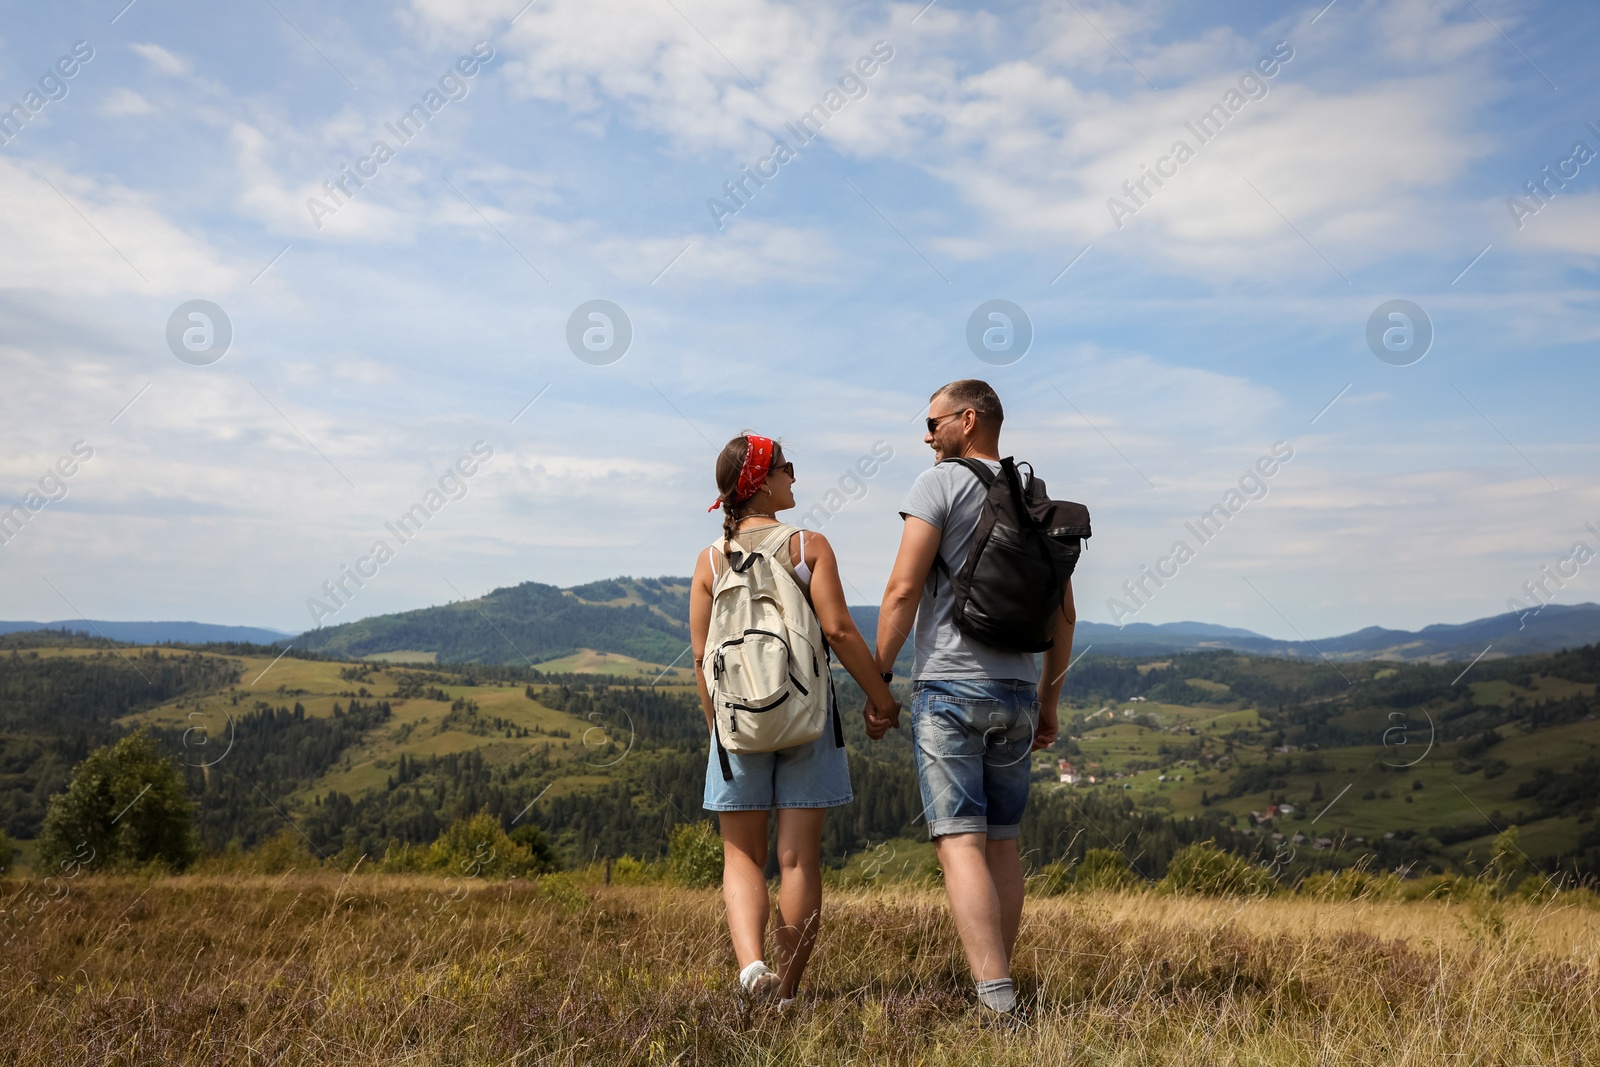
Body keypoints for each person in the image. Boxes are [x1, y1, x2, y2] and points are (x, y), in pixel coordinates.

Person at [866, 380, 1076, 1019]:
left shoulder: (939, 485)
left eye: (932, 423)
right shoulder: (1032, 494)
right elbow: (1064, 614)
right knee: (1002, 843)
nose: (926, 436)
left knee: (960, 842)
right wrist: (1047, 700)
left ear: (968, 419)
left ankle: (994, 998)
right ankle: (998, 984)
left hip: (950, 687)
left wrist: (879, 684)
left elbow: (902, 591)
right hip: (1016, 689)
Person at [690, 432, 900, 1008]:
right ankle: (787, 992)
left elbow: (701, 659)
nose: (794, 478)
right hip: (808, 716)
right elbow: (837, 631)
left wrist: (721, 731)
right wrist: (881, 697)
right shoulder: (809, 547)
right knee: (798, 858)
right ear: (760, 480)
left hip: (736, 725)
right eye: (787, 468)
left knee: (741, 856)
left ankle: (751, 964)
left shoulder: (710, 561)